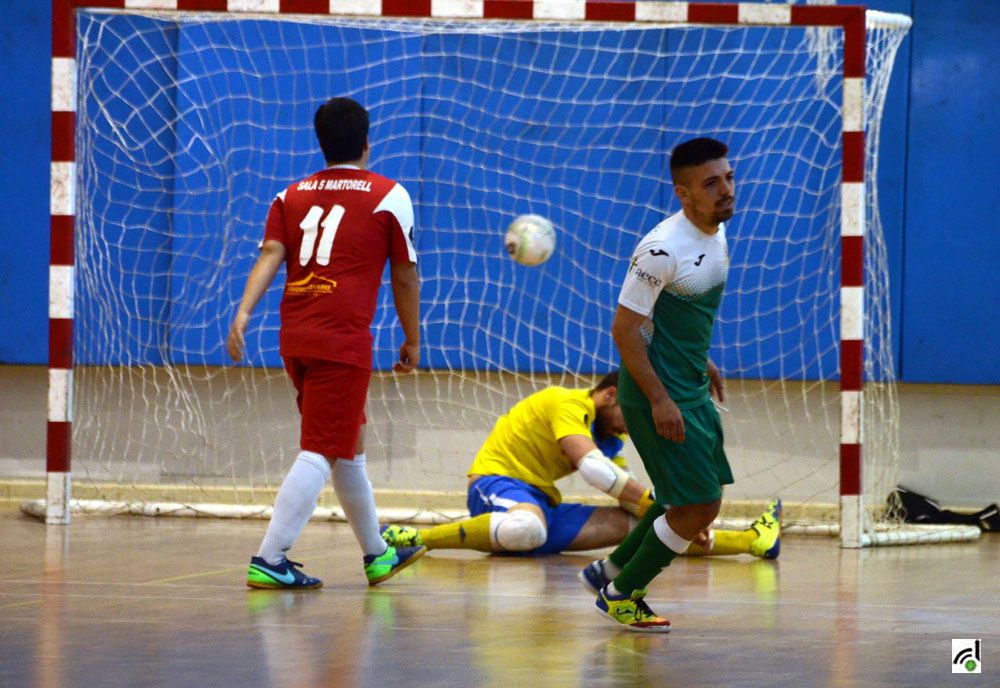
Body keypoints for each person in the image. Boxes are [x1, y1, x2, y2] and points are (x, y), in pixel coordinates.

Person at [227, 96, 425, 589]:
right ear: (366, 143)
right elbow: (404, 273)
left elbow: (272, 251)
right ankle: (270, 559)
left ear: (320, 144)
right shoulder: (389, 194)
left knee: (347, 445)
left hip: (295, 333)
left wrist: (244, 310)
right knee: (320, 448)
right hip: (341, 338)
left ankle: (377, 555)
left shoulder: (288, 195)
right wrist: (412, 337)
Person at [580, 137, 744, 632]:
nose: (725, 190)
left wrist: (701, 359)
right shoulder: (660, 249)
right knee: (700, 505)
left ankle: (607, 570)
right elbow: (625, 328)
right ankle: (623, 593)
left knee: (685, 500)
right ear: (683, 193)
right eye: (711, 183)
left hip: (688, 383)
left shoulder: (714, 232)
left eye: (729, 178)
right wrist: (658, 400)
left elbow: (671, 319)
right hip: (660, 396)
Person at [380, 372, 780, 559]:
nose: (634, 422)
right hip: (497, 484)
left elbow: (628, 493)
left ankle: (751, 541)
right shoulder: (566, 402)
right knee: (526, 527)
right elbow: (595, 471)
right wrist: (653, 502)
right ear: (608, 396)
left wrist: (672, 514)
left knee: (651, 529)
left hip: (544, 506)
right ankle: (415, 540)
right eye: (631, 411)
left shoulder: (611, 435)